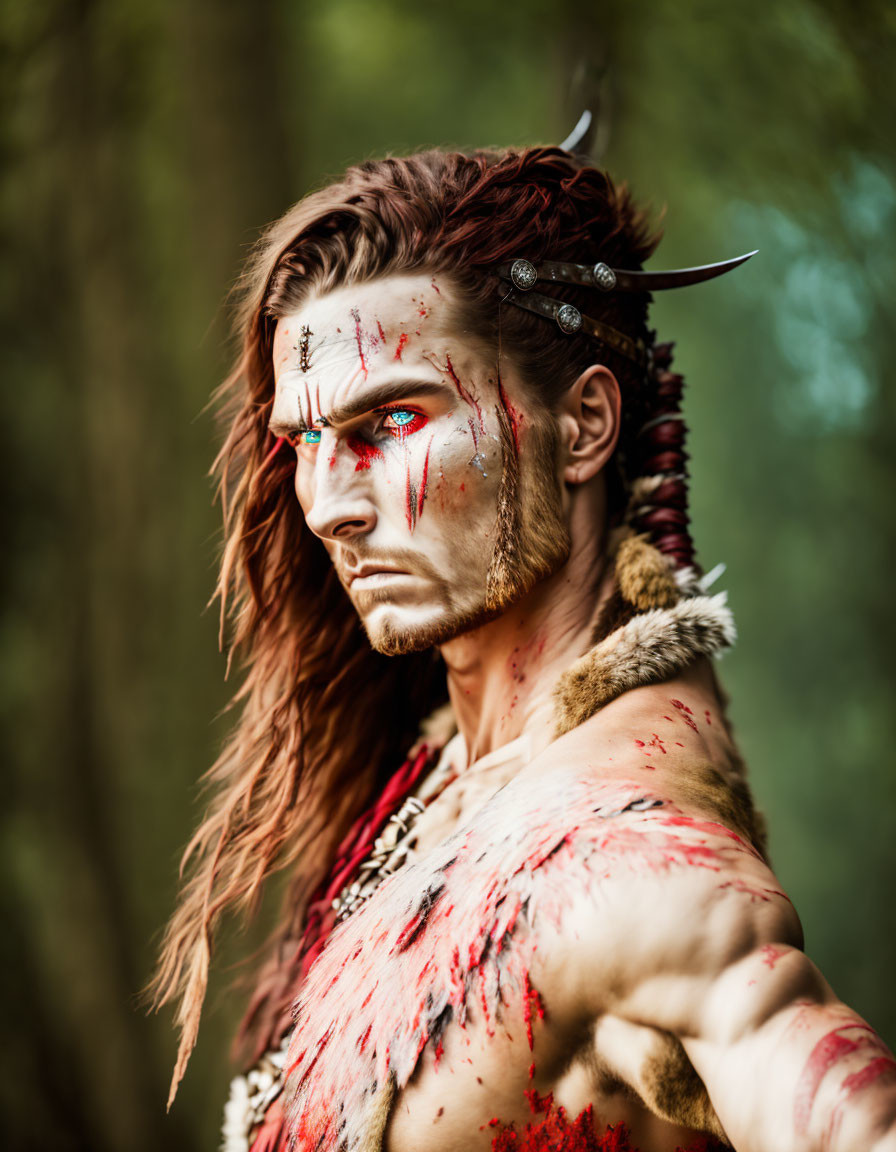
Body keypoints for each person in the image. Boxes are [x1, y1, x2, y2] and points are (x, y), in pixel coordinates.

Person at [151, 145, 896, 1152]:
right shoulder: (443, 775)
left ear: (582, 424)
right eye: (306, 443)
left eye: (395, 418)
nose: (328, 506)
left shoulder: (619, 861)